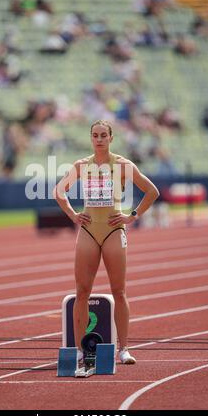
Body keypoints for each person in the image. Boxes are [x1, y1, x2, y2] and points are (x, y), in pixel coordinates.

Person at [53, 119, 160, 364]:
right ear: (90, 138)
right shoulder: (82, 165)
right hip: (89, 231)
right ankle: (81, 350)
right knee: (82, 292)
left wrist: (131, 216)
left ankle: (124, 349)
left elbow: (152, 191)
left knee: (119, 291)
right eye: (95, 135)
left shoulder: (122, 165)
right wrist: (73, 214)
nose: (99, 139)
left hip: (113, 231)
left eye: (103, 135)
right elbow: (59, 192)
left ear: (111, 138)